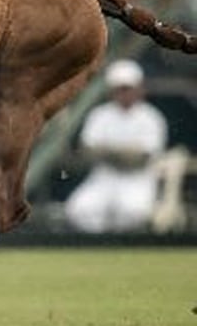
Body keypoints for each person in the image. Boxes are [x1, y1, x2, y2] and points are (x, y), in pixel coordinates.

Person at [64, 59, 168, 233]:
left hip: (137, 179)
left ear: (139, 88)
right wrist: (123, 152)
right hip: (104, 176)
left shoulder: (151, 118)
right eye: (119, 89)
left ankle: (124, 250)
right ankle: (100, 251)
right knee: (79, 210)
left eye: (127, 88)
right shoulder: (100, 115)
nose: (123, 93)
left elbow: (141, 158)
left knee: (132, 212)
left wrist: (108, 151)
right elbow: (88, 150)